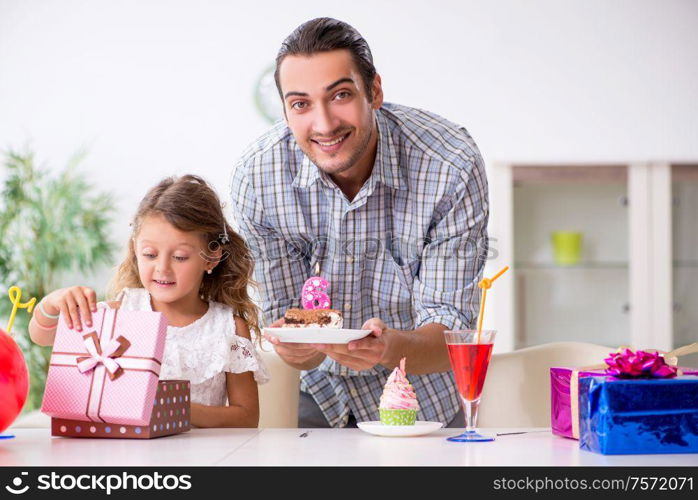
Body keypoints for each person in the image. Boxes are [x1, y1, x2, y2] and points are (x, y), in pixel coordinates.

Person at [231, 18, 488, 428]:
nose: (325, 123)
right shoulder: (258, 177)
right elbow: (285, 318)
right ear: (285, 110)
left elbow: (453, 333)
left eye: (341, 95)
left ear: (375, 91)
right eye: (300, 104)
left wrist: (386, 347)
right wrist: (299, 346)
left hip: (424, 400)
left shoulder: (449, 164)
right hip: (317, 396)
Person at [29, 175, 269, 428]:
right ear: (135, 250)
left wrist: (171, 406)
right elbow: (41, 336)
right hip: (127, 458)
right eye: (150, 255)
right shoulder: (120, 314)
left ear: (210, 258)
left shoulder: (227, 329)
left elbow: (247, 417)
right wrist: (51, 304)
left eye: (179, 257)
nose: (162, 269)